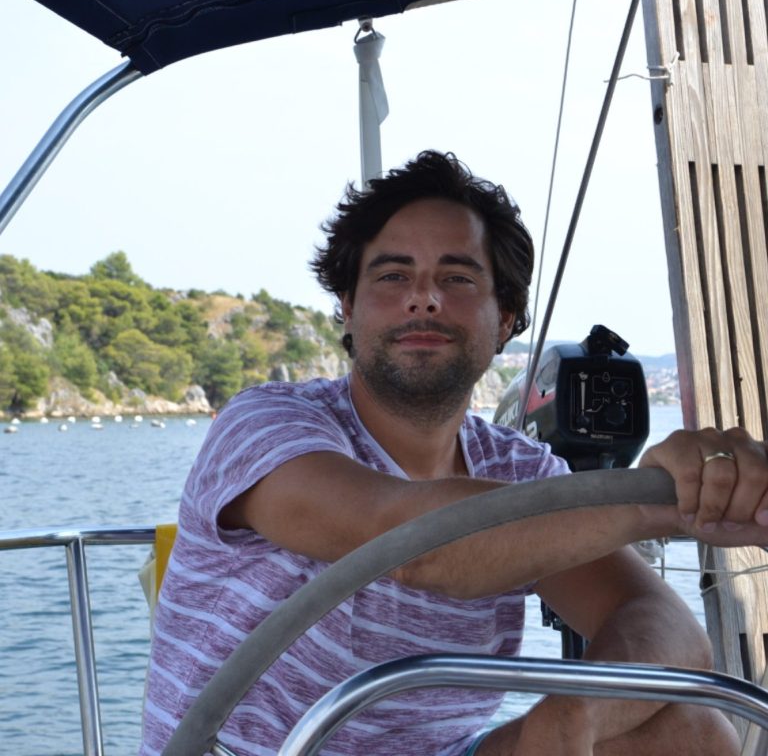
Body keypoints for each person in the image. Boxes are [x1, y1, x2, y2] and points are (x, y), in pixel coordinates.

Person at [140, 150, 768, 756]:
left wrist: (577, 710)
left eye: (457, 278)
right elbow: (412, 543)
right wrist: (662, 502)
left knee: (692, 730)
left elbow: (666, 625)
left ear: (505, 320)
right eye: (393, 276)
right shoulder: (265, 425)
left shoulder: (519, 470)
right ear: (348, 309)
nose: (424, 298)